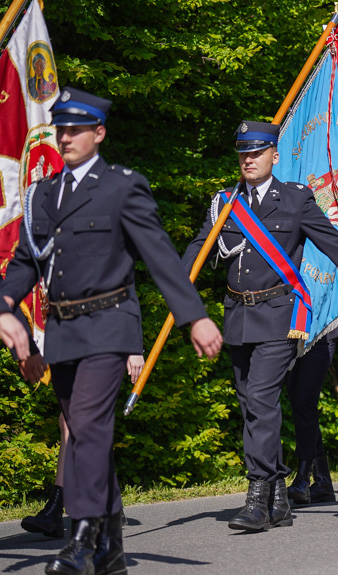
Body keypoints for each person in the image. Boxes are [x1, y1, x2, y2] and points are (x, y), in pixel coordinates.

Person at [0, 86, 222, 575]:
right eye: (61, 129)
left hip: (108, 324)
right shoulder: (43, 194)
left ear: (99, 133)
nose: (66, 137)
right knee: (83, 431)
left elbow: (160, 256)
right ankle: (113, 542)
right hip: (62, 331)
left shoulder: (123, 186)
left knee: (88, 427)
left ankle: (81, 540)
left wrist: (195, 316)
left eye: (77, 129)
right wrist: (6, 303)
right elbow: (25, 263)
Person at [182, 120, 338, 531]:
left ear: (274, 156)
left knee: (260, 399)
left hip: (280, 316)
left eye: (257, 152)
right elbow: (198, 248)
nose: (249, 159)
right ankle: (279, 496)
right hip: (238, 317)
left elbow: (334, 245)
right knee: (252, 407)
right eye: (243, 152)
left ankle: (258, 494)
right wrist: (177, 284)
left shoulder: (294, 199)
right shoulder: (225, 202)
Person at [21, 355, 143, 539]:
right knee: (69, 421)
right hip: (68, 345)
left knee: (73, 420)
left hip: (99, 345)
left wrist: (133, 349)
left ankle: (57, 509)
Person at [285, 329, 338, 506]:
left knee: (304, 401)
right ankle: (323, 482)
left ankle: (303, 478)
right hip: (296, 337)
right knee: (298, 402)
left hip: (322, 335)